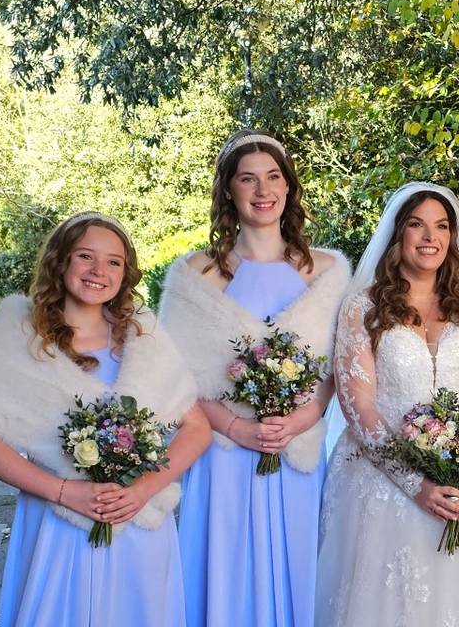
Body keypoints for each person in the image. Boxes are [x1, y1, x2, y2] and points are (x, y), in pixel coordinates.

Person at [0, 211, 210, 627]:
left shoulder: (142, 337)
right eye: (85, 257)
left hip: (138, 521)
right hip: (58, 521)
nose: (99, 271)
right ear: (60, 262)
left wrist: (143, 490)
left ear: (125, 273)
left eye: (114, 261)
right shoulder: (23, 335)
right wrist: (64, 492)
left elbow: (197, 428)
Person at [315, 182, 459, 627]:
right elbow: (360, 408)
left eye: (441, 226)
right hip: (381, 481)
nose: (429, 236)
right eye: (416, 225)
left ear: (452, 238)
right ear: (398, 235)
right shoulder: (364, 309)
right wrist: (416, 484)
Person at [159, 130, 350, 627]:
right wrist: (237, 428)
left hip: (299, 448)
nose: (262, 191)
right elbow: (173, 377)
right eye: (248, 179)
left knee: (302, 563)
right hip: (222, 452)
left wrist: (306, 417)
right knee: (226, 566)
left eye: (273, 178)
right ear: (229, 191)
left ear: (288, 188)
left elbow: (340, 366)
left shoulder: (328, 271)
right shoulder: (193, 276)